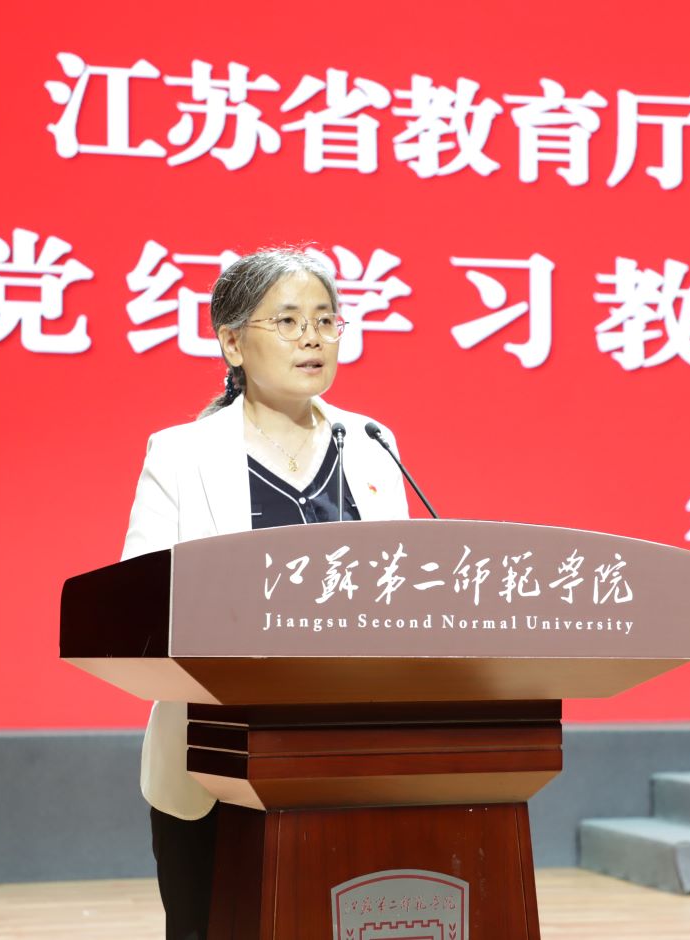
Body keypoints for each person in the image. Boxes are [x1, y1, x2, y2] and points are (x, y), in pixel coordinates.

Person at [119, 248, 411, 939]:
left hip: (346, 753)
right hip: (215, 759)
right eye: (287, 321)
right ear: (231, 343)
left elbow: (402, 594)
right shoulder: (182, 454)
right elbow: (140, 599)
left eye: (325, 320)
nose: (313, 337)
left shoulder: (371, 445)